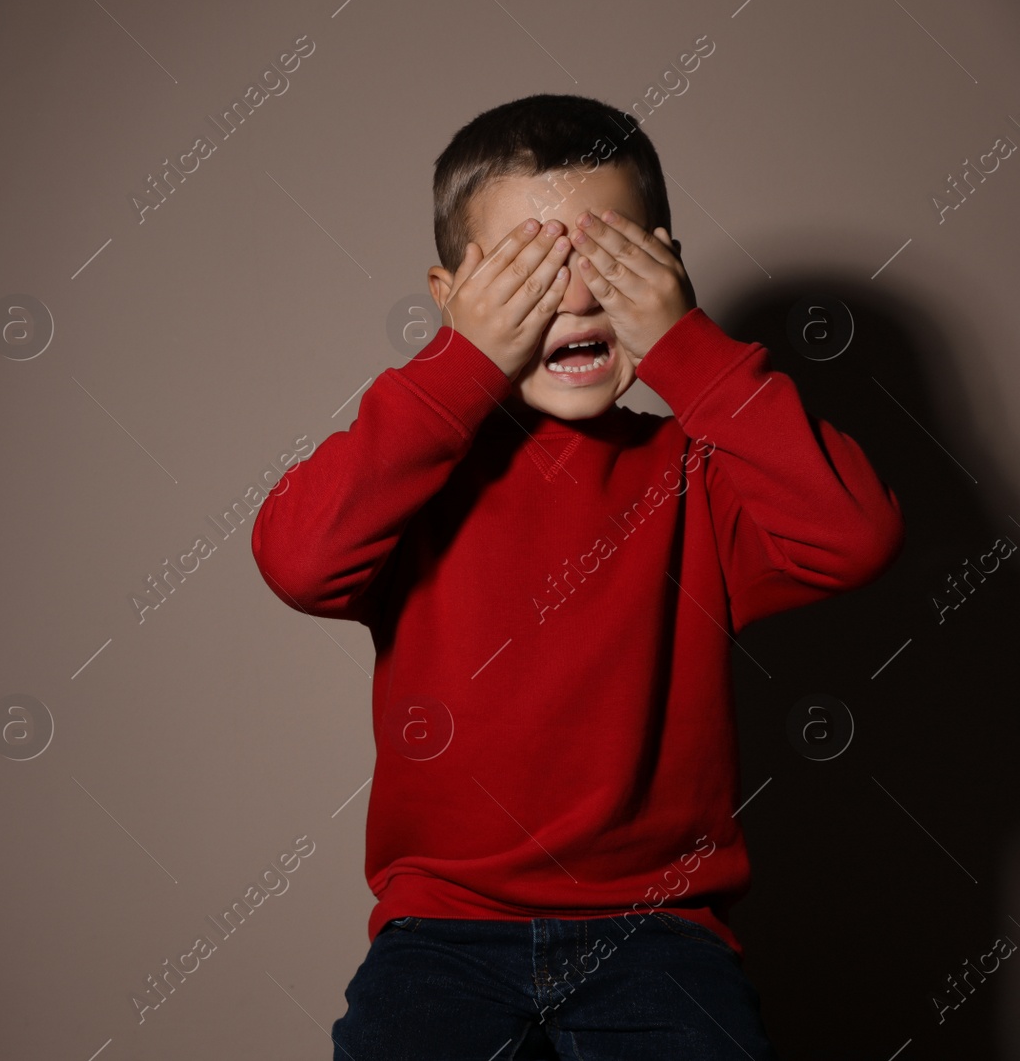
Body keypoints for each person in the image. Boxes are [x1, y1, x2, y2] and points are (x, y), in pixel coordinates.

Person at [249, 93, 905, 1060]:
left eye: (605, 262)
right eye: (527, 271)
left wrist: (692, 350)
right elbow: (298, 559)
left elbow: (854, 535)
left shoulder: (699, 477)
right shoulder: (418, 475)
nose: (573, 299)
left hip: (661, 931)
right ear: (451, 295)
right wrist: (459, 366)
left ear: (666, 270)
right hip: (444, 932)